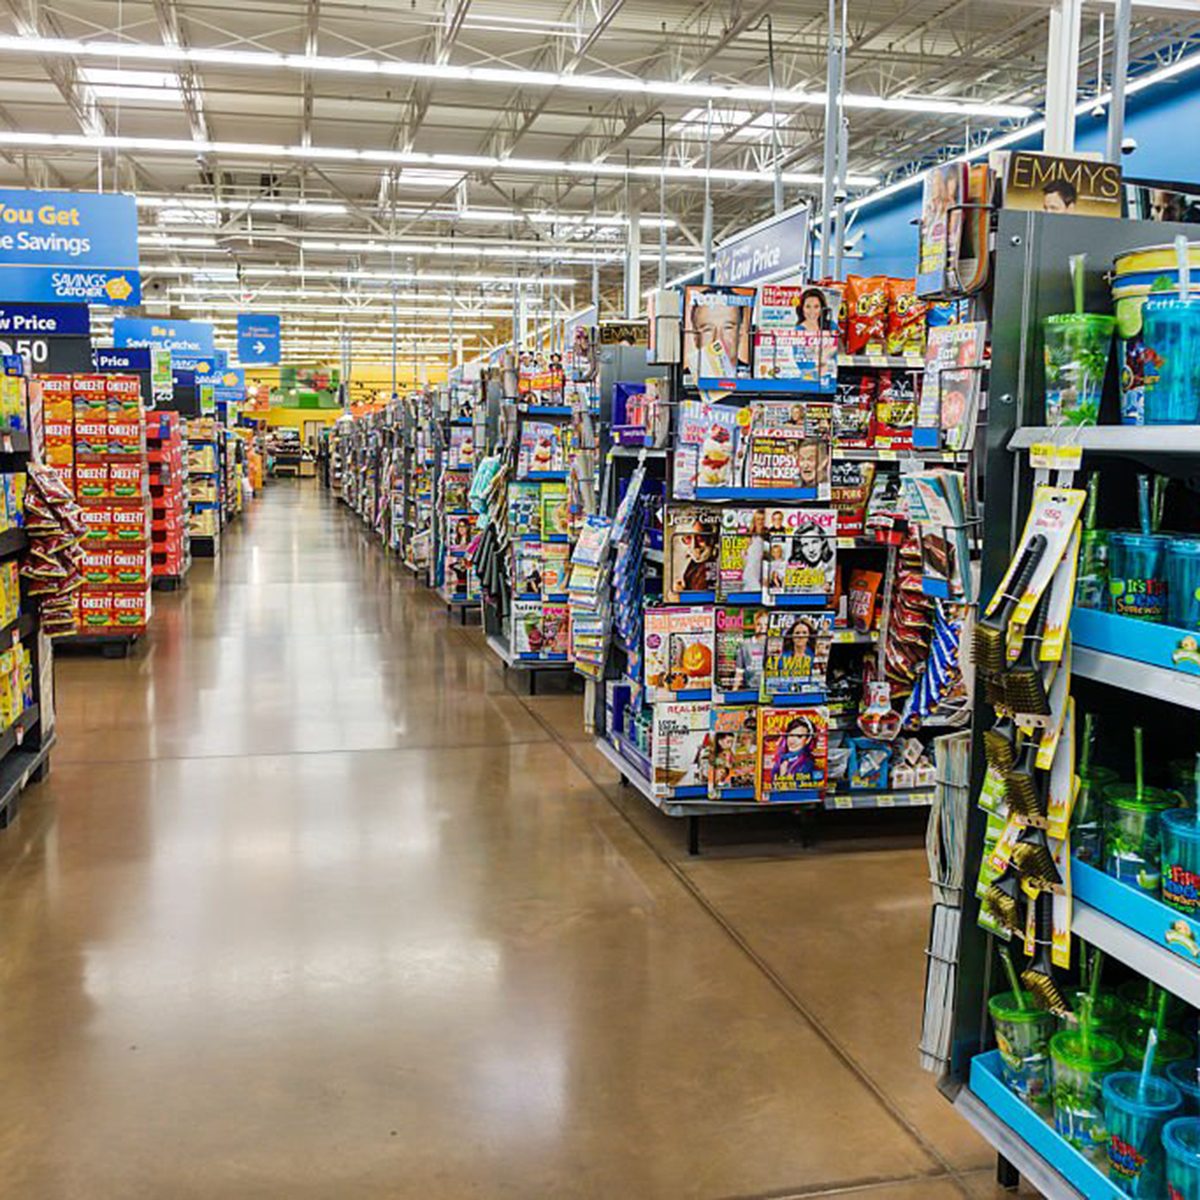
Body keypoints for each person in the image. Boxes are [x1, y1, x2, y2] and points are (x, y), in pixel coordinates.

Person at [686, 291, 751, 378]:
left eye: (728, 328)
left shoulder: (753, 374)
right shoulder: (685, 377)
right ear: (695, 336)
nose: (718, 339)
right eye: (708, 329)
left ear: (741, 331)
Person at [772, 715, 818, 783]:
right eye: (790, 735)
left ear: (808, 739)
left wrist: (783, 776)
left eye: (799, 736)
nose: (792, 741)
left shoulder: (807, 764)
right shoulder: (782, 759)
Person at [732, 610, 769, 689]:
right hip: (750, 689)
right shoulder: (745, 644)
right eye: (759, 624)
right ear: (754, 626)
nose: (763, 628)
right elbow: (739, 671)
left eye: (766, 625)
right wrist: (734, 690)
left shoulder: (774, 644)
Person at [739, 509, 767, 591]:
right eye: (758, 519)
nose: (760, 522)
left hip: (760, 573)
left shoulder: (767, 534)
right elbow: (743, 555)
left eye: (762, 519)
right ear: (754, 520)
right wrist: (746, 547)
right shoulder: (749, 536)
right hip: (750, 573)